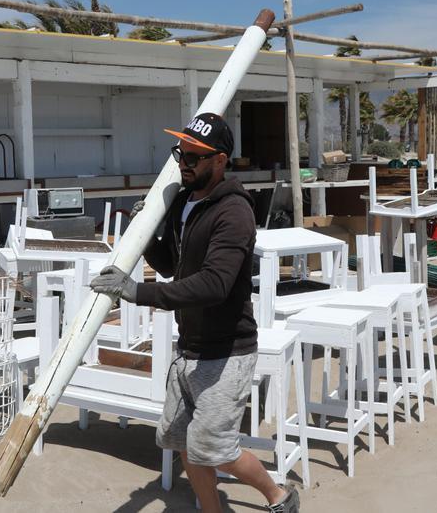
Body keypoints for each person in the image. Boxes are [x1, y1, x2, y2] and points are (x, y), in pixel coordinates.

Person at [89, 113, 298, 513]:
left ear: (219, 161)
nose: (183, 162)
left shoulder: (234, 212)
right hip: (190, 346)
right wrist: (148, 234)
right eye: (181, 153)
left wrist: (137, 292)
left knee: (216, 450)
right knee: (184, 441)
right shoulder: (185, 202)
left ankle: (279, 496)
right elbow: (172, 265)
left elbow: (214, 285)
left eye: (193, 157)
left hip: (226, 352)